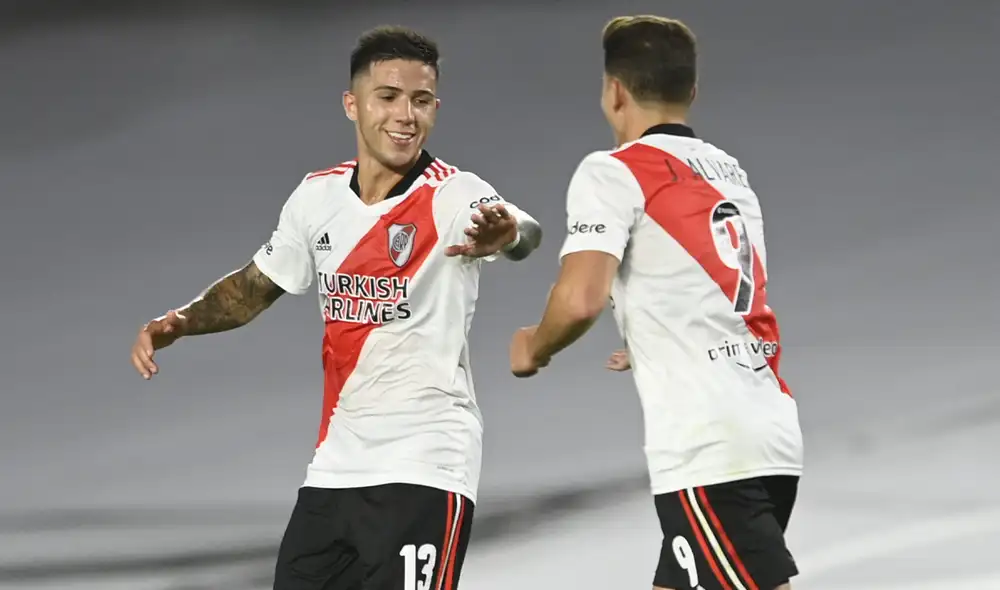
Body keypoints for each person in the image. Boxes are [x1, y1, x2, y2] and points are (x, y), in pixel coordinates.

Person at [129, 25, 542, 590]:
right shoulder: (316, 198)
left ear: (435, 108)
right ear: (353, 104)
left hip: (426, 461)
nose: (405, 115)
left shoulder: (454, 194)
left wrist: (508, 234)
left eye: (421, 101)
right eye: (388, 97)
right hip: (336, 467)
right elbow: (253, 287)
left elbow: (525, 229)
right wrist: (181, 320)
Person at [509, 15, 803, 590]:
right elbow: (720, 290)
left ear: (613, 92)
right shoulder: (729, 173)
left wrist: (534, 346)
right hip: (768, 428)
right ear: (690, 91)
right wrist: (650, 333)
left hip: (709, 445)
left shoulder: (612, 172)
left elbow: (581, 299)